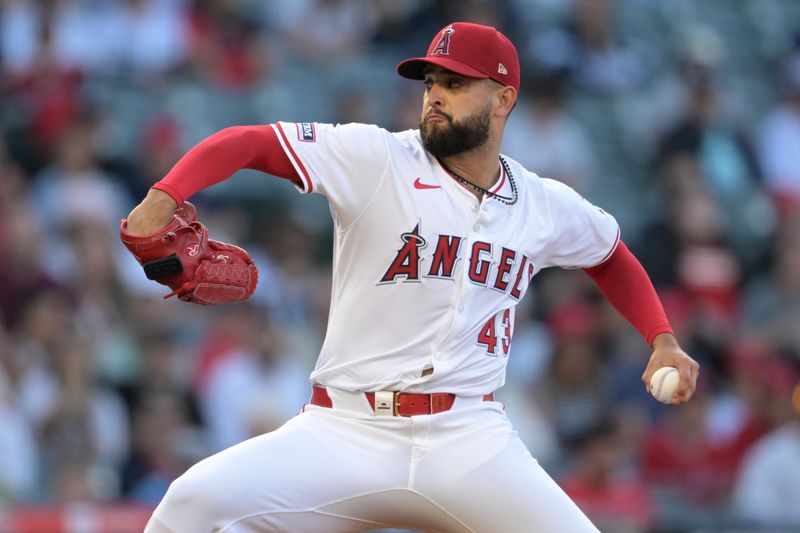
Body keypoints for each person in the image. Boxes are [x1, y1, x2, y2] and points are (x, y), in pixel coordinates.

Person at [123, 22, 699, 533]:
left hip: (468, 438)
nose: (435, 98)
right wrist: (165, 194)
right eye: (430, 83)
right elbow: (250, 143)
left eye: (455, 84)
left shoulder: (542, 204)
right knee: (192, 505)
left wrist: (662, 338)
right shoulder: (377, 159)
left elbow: (608, 254)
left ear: (503, 99)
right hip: (344, 430)